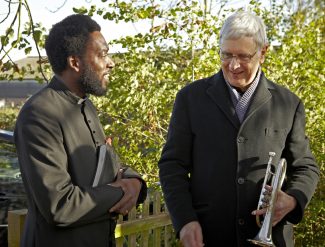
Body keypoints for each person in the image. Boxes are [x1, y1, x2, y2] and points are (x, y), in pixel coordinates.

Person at [158, 11, 319, 247]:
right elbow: (172, 165)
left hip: (272, 238)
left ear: (263, 52)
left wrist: (293, 200)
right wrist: (185, 220)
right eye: (226, 54)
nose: (233, 65)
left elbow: (306, 167)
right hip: (209, 237)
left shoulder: (289, 103)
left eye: (243, 56)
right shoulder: (189, 99)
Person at [14, 14, 147, 247]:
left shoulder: (85, 105)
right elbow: (61, 206)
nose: (111, 62)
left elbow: (107, 166)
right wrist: (121, 192)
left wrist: (135, 182)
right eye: (103, 54)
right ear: (75, 63)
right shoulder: (39, 115)